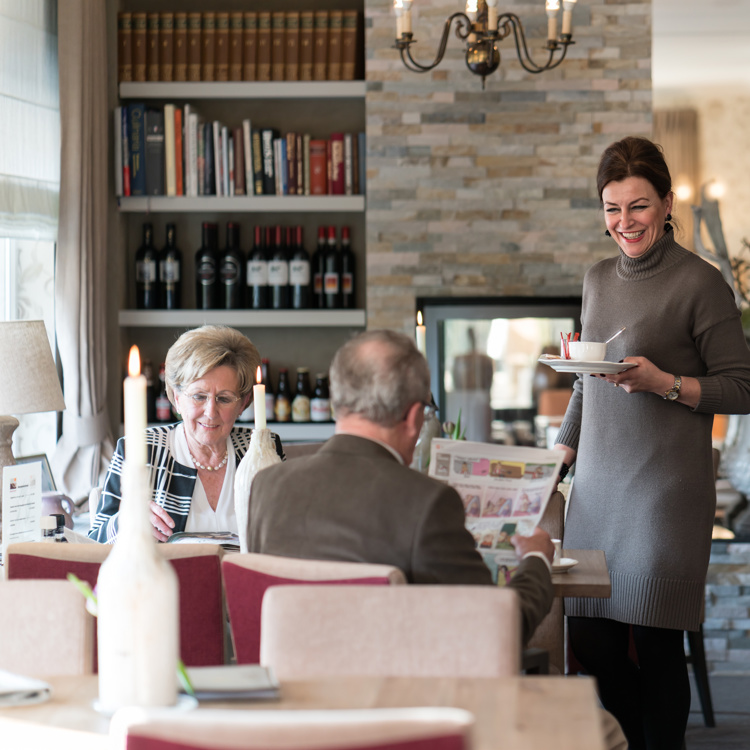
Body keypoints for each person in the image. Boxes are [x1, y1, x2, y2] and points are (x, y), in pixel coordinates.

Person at [553, 136, 750, 749]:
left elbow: (741, 388)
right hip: (598, 485)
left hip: (665, 490)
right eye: (612, 209)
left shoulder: (701, 282)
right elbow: (590, 380)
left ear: (666, 203)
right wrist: (562, 450)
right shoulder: (595, 278)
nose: (624, 223)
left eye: (638, 207)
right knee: (589, 636)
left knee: (657, 639)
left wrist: (665, 384)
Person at [247, 329, 555, 646]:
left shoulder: (267, 487)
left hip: (291, 686)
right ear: (413, 417)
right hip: (396, 693)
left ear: (337, 402)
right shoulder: (428, 502)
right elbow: (498, 631)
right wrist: (537, 561)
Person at [89, 325, 284, 543]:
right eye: (199, 396)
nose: (211, 413)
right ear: (177, 397)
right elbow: (94, 542)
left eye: (225, 398)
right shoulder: (139, 449)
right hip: (170, 576)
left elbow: (289, 533)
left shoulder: (262, 449)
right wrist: (126, 521)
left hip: (245, 576)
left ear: (243, 403)